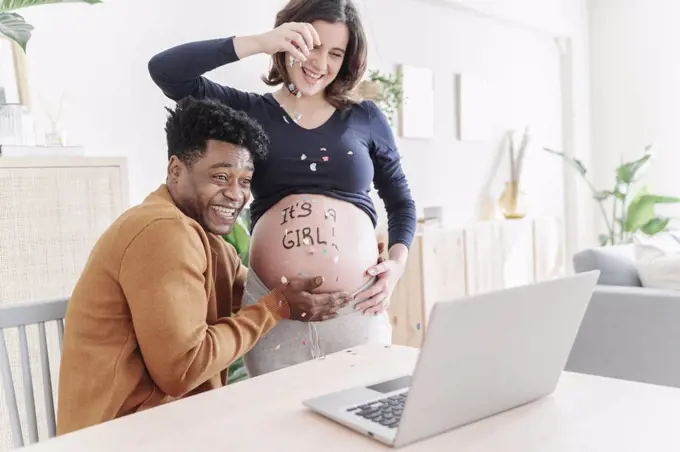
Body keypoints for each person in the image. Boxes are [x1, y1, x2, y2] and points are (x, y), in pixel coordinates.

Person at [147, 0, 416, 376]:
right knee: (279, 424)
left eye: (336, 53)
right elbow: (166, 71)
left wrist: (397, 266)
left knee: (364, 415)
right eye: (313, 45)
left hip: (357, 307)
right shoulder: (250, 112)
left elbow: (401, 202)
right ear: (288, 39)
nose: (321, 63)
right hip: (276, 312)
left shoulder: (365, 118)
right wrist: (260, 41)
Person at [56, 97, 351, 435]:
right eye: (220, 176)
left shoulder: (205, 239)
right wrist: (279, 304)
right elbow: (182, 369)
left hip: (167, 425)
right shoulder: (162, 231)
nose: (235, 194)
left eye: (244, 181)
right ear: (176, 170)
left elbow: (256, 292)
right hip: (120, 437)